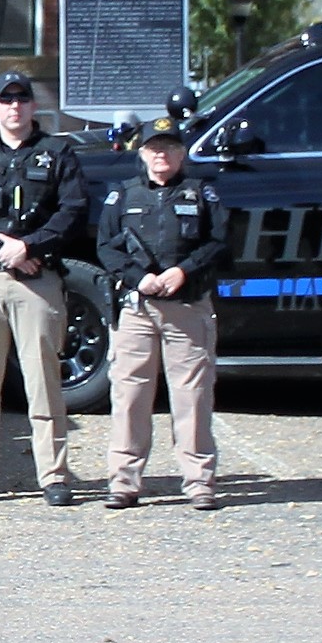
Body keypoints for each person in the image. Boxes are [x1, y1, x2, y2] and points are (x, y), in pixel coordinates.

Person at [0, 69, 90, 505]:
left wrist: (29, 246)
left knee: (43, 379)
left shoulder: (57, 153)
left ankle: (55, 476)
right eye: (6, 100)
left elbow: (73, 210)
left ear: (32, 106)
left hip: (36, 279)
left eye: (22, 99)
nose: (14, 107)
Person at [97, 118, 231, 509]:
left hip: (187, 307)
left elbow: (219, 242)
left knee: (192, 396)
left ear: (181, 153)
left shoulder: (202, 194)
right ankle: (123, 482)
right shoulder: (122, 196)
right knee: (130, 396)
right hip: (138, 309)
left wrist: (182, 270)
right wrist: (138, 278)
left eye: (170, 147)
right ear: (141, 153)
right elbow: (107, 248)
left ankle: (199, 481)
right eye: (154, 148)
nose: (162, 154)